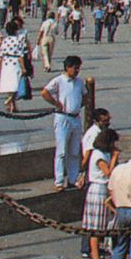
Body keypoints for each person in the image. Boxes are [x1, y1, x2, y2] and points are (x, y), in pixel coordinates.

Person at [40, 54, 86, 190]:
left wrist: (78, 105)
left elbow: (85, 95)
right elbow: (44, 92)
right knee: (61, 151)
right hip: (62, 118)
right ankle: (59, 181)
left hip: (75, 117)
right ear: (67, 68)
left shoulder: (79, 82)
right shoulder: (58, 80)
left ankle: (72, 179)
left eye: (78, 68)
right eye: (75, 68)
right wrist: (56, 103)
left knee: (74, 150)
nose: (77, 71)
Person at [82, 128, 119, 259]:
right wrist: (115, 158)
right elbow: (108, 173)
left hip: (104, 188)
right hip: (97, 189)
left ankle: (100, 251)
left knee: (104, 223)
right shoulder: (98, 155)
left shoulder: (104, 153)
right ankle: (95, 256)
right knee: (96, 226)